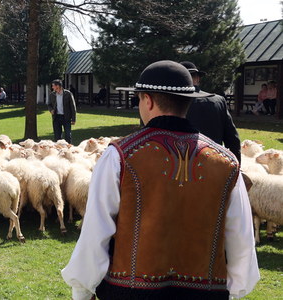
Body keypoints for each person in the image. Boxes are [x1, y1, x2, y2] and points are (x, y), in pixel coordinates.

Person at [61, 60, 259, 300]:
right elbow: (241, 240)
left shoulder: (120, 156)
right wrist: (236, 291)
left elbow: (95, 233)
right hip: (206, 293)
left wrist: (82, 290)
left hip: (130, 293)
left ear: (149, 100)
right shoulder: (226, 163)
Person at [182, 61, 241, 162]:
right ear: (197, 79)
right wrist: (236, 167)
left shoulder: (173, 102)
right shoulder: (218, 100)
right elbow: (232, 139)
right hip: (214, 162)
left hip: (183, 163)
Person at [47, 79, 76, 144]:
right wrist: (51, 110)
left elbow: (73, 107)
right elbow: (49, 105)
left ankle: (69, 150)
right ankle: (58, 150)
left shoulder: (68, 94)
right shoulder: (52, 95)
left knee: (68, 136)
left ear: (57, 86)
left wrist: (73, 119)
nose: (52, 87)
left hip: (66, 117)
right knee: (57, 137)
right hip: (56, 117)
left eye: (53, 86)